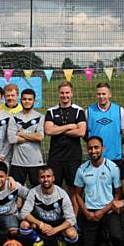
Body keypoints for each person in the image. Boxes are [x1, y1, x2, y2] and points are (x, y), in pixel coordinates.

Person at [74, 136, 123, 246]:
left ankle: (112, 231)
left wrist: (102, 211)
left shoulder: (113, 167)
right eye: (90, 148)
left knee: (116, 237)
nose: (93, 151)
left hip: (108, 210)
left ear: (103, 148)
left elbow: (118, 195)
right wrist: (86, 212)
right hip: (90, 213)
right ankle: (100, 234)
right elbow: (77, 195)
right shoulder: (82, 169)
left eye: (96, 147)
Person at [45, 81, 87, 214]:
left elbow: (81, 132)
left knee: (74, 189)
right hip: (55, 157)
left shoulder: (78, 111)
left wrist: (58, 129)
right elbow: (48, 131)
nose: (65, 95)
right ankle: (55, 216)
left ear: (72, 93)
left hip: (73, 157)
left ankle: (74, 219)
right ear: (58, 94)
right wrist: (69, 126)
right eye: (62, 93)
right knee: (54, 188)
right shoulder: (51, 111)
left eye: (67, 92)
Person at [19, 166, 79, 246]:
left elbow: (72, 219)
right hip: (40, 224)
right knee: (24, 225)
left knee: (72, 235)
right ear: (39, 179)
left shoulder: (62, 194)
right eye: (42, 177)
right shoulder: (33, 192)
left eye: (48, 176)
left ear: (53, 178)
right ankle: (38, 240)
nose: (45, 179)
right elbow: (24, 213)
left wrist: (55, 229)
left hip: (58, 224)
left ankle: (61, 238)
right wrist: (41, 224)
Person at [8, 88, 45, 186]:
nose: (27, 101)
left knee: (38, 191)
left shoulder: (40, 117)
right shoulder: (14, 117)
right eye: (24, 99)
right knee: (16, 191)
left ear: (34, 101)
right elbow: (11, 139)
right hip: (17, 162)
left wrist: (21, 134)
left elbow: (40, 137)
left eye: (30, 99)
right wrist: (33, 136)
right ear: (21, 100)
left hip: (36, 162)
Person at [86, 82, 124, 163]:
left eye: (104, 94)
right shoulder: (88, 111)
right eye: (99, 94)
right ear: (96, 95)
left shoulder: (120, 110)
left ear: (109, 95)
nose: (101, 96)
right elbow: (85, 134)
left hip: (115, 156)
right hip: (96, 157)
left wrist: (116, 144)